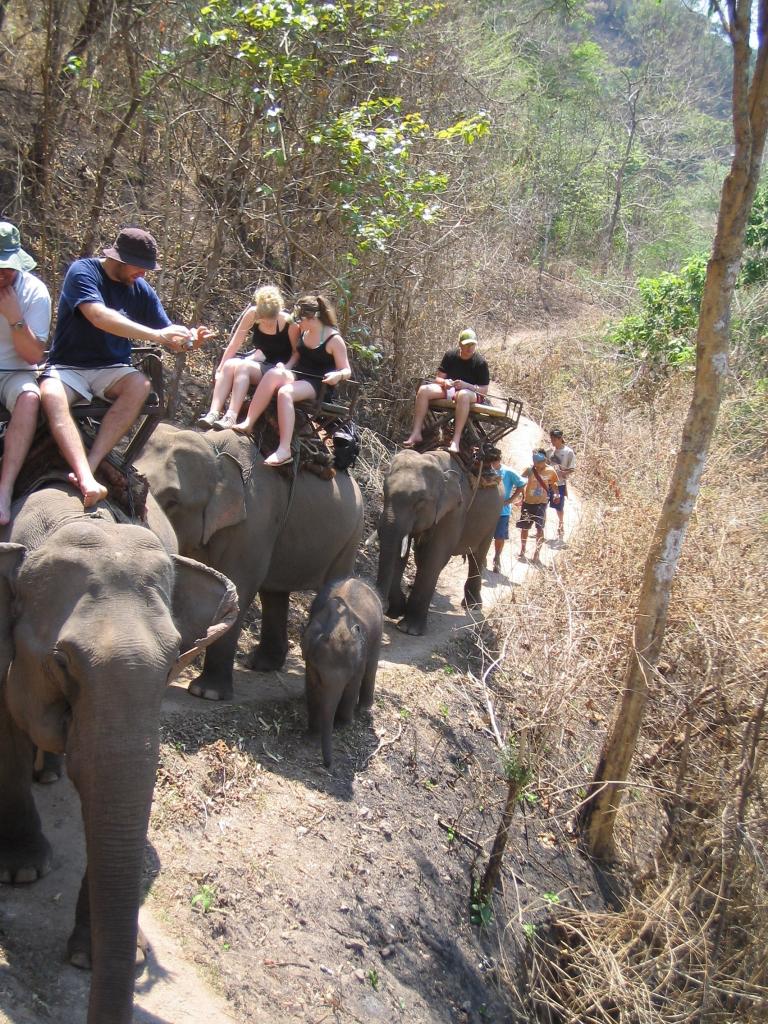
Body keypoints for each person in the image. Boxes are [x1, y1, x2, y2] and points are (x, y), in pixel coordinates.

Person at [41, 227, 212, 507]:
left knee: (140, 385)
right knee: (50, 394)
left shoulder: (139, 288)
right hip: (69, 366)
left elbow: (168, 333)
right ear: (119, 259)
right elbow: (98, 316)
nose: (143, 274)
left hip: (111, 369)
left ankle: (92, 464)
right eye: (140, 267)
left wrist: (189, 341)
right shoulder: (83, 272)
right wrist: (157, 336)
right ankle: (83, 476)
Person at [233, 293, 351, 466]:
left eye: (300, 319)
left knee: (285, 392)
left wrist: (338, 375)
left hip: (319, 383)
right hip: (299, 375)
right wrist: (284, 367)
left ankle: (284, 449)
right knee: (273, 373)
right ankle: (249, 422)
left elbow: (346, 369)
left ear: (312, 318)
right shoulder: (304, 332)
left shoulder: (334, 339)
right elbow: (296, 357)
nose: (297, 323)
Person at [0, 222, 51, 525]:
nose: (2, 273)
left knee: (30, 397)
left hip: (15, 371)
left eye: (7, 266)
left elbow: (32, 355)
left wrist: (15, 317)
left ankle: (4, 490)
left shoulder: (35, 293)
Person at [196, 284, 300, 430]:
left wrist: (286, 367)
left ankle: (231, 416)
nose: (267, 322)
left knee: (243, 367)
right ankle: (213, 413)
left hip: (278, 369)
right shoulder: (252, 314)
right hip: (260, 362)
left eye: (271, 318)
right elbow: (235, 343)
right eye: (263, 319)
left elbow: (297, 353)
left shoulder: (288, 322)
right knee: (229, 364)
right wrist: (220, 369)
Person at [403, 328, 490, 453]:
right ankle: (416, 432)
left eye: (473, 344)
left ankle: (456, 439)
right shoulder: (450, 355)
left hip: (472, 394)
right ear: (460, 344)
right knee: (423, 390)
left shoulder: (480, 363)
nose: (470, 347)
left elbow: (484, 390)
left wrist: (466, 385)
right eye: (467, 344)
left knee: (463, 395)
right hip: (450, 389)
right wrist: (445, 382)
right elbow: (438, 378)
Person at [517, 448, 560, 564]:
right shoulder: (529, 470)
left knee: (540, 528)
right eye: (535, 463)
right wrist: (520, 497)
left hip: (541, 504)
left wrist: (557, 494)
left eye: (538, 463)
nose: (536, 465)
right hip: (528, 503)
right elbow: (520, 482)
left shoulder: (550, 471)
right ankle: (522, 549)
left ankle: (537, 553)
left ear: (544, 460)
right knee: (524, 527)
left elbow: (554, 483)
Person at [489, 455, 525, 573]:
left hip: (502, 511)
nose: (492, 464)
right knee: (485, 535)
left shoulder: (508, 472)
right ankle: (481, 558)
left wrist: (511, 500)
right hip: (487, 510)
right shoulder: (486, 470)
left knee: (499, 536)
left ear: (499, 460)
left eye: (494, 461)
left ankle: (497, 557)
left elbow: (521, 483)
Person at [548, 427, 575, 539]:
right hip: (547, 482)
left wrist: (562, 472)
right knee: (542, 504)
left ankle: (561, 524)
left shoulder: (568, 452)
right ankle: (540, 528)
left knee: (559, 506)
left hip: (559, 483)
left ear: (560, 439)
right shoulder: (549, 451)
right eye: (551, 439)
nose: (553, 442)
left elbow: (572, 468)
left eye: (554, 439)